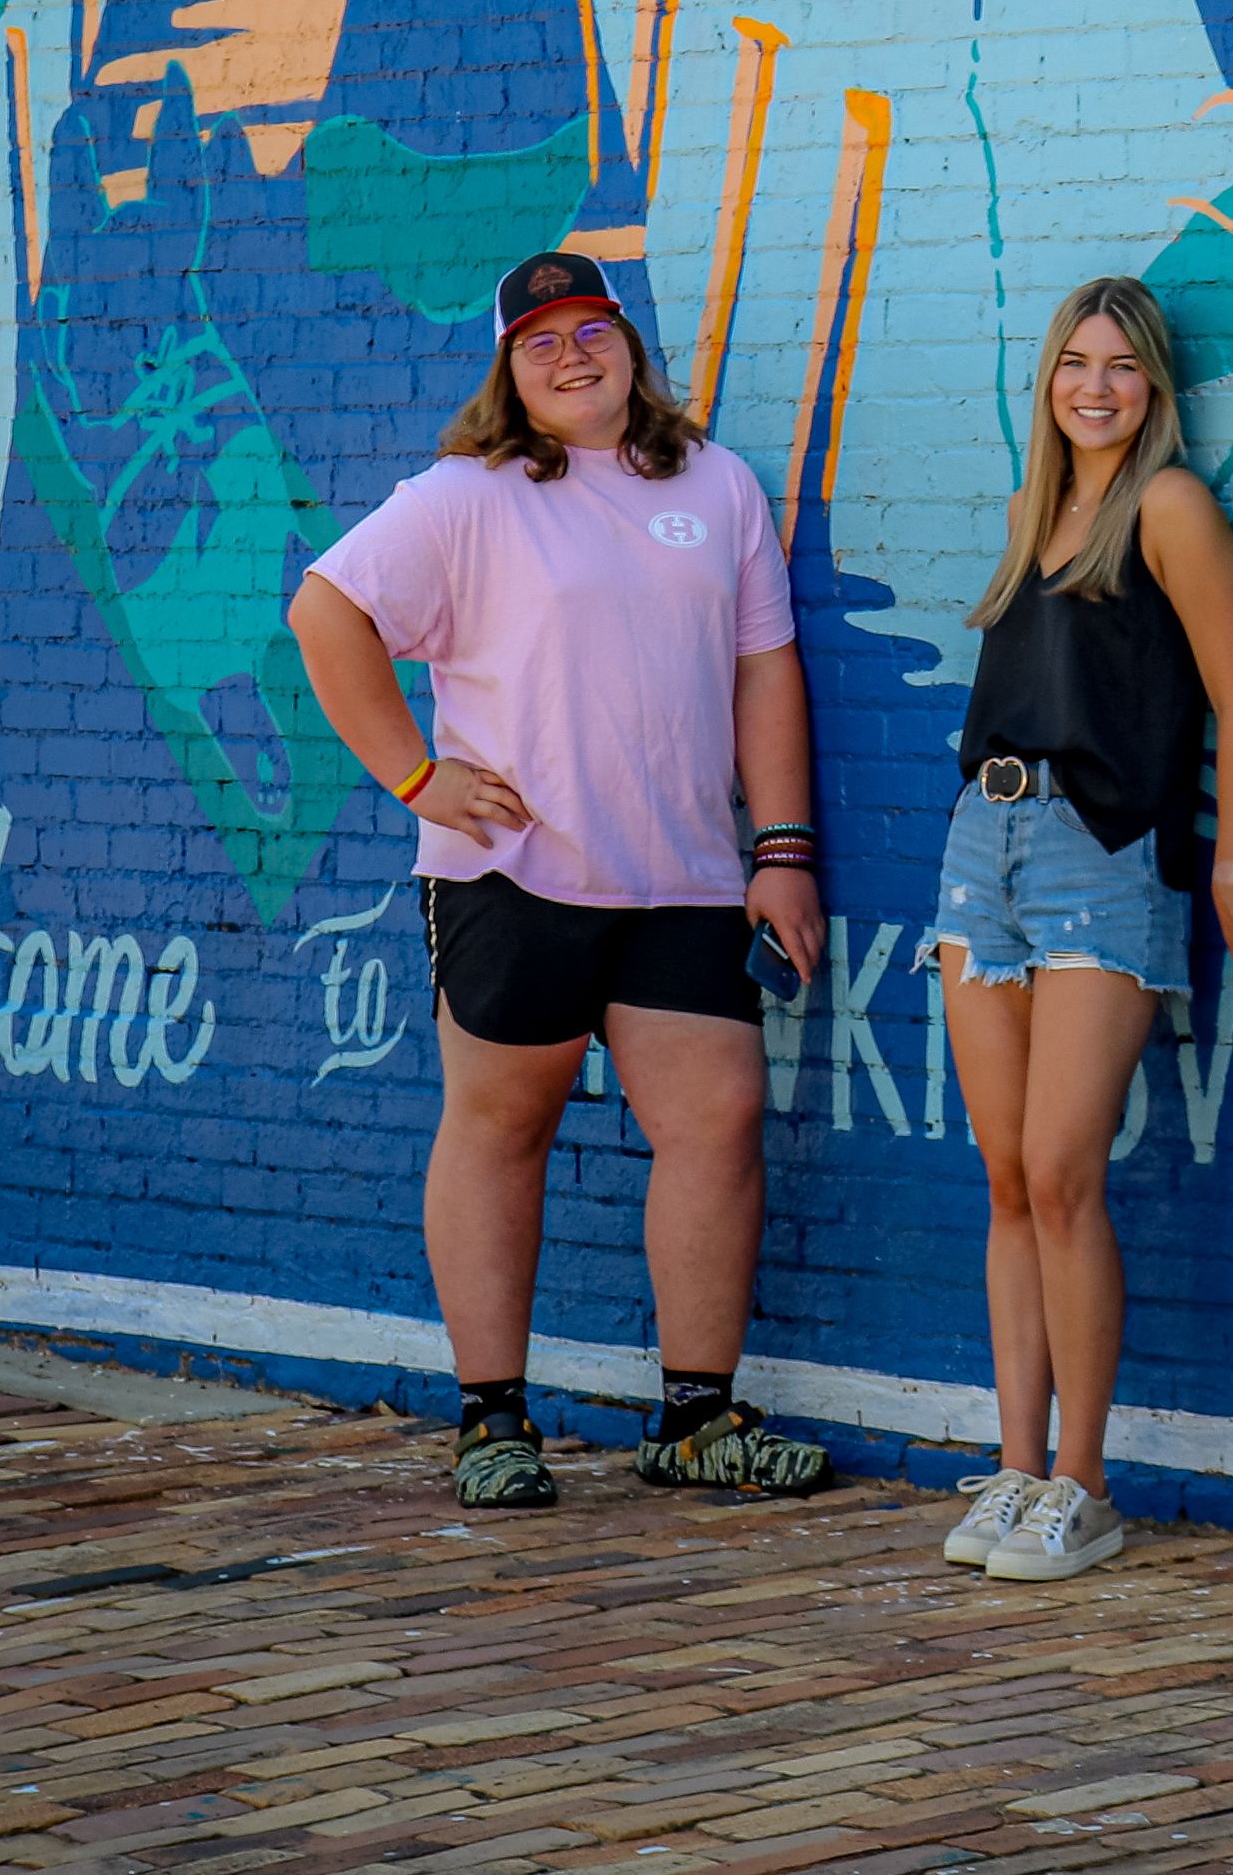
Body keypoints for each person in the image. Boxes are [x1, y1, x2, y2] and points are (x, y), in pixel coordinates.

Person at [289, 252, 836, 1512]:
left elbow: (765, 673)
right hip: (513, 874)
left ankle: (696, 1418)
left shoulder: (718, 484)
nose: (572, 355)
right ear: (508, 371)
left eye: (594, 330)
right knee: (503, 1128)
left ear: (632, 347)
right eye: (541, 343)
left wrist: (785, 847)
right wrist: (418, 777)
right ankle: (493, 1419)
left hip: (687, 878)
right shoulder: (465, 496)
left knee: (717, 1122)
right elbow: (326, 612)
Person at [929, 278, 1233, 1583]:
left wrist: (1232, 878)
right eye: (1074, 363)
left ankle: (1084, 1484)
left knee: (1061, 1171)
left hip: (1104, 855)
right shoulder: (1044, 512)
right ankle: (1017, 1469)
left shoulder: (1170, 507)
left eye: (1122, 367)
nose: (1096, 386)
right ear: (1050, 382)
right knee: (1005, 1178)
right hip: (985, 845)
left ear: (1156, 387)